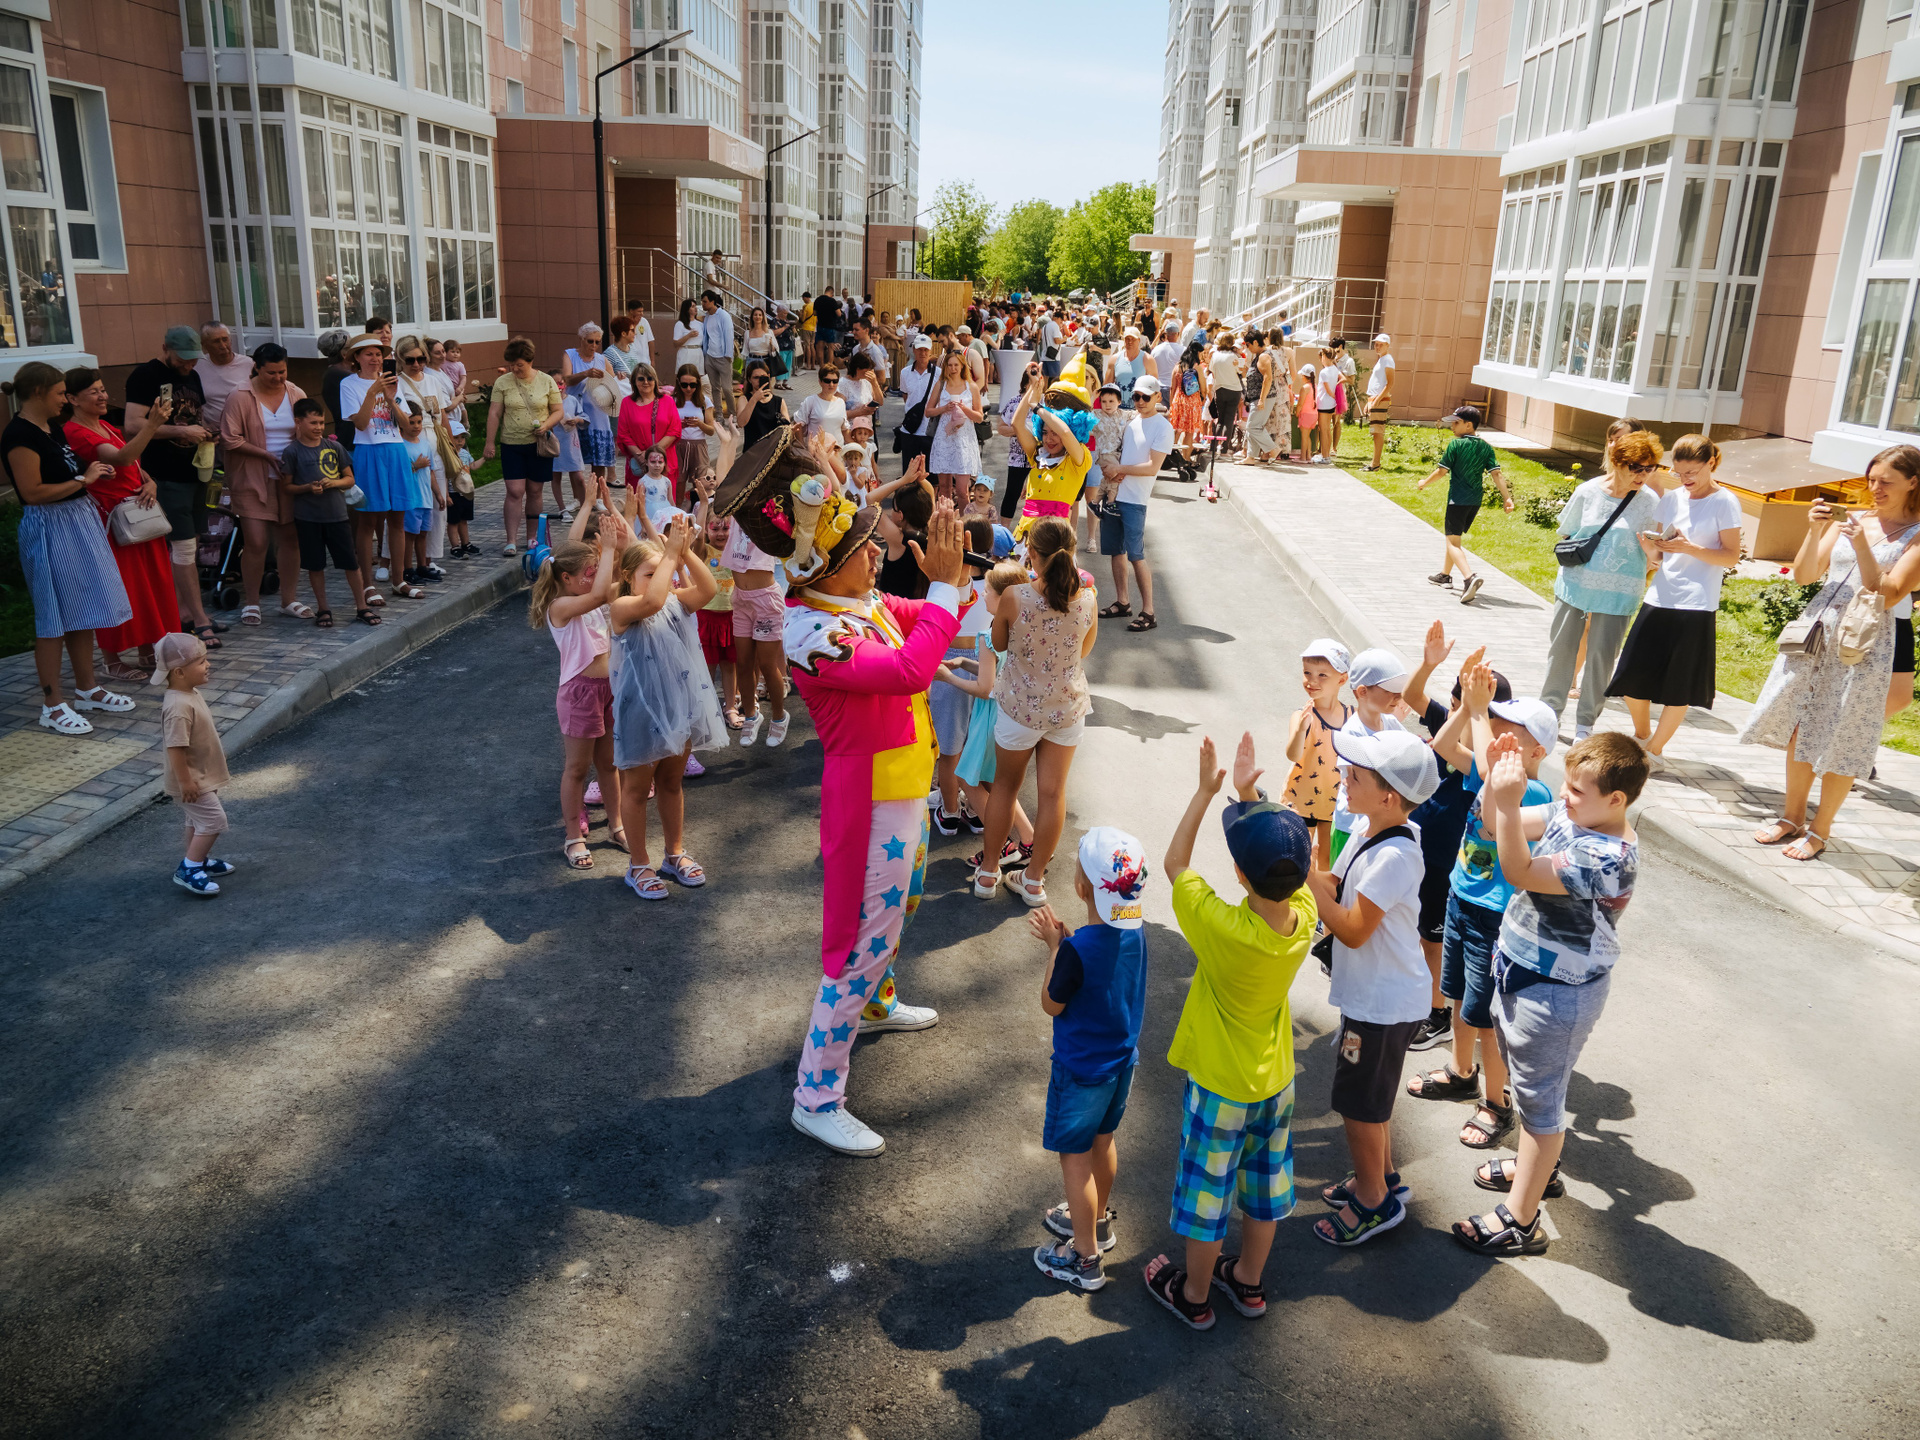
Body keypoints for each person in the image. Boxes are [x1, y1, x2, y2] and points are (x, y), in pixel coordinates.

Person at [767, 486, 969, 1155]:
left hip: (907, 789)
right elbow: (912, 667)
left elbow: (932, 617)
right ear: (826, 567)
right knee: (857, 948)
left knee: (903, 906)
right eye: (863, 547)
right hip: (873, 802)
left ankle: (877, 1005)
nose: (878, 553)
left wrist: (955, 579)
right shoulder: (812, 632)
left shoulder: (858, 603)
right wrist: (943, 589)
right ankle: (816, 1097)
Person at [1142, 734, 1315, 1331]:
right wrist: (1249, 794)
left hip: (1221, 1086)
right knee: (1263, 1190)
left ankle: (1193, 1293)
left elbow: (1175, 866)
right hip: (1276, 1083)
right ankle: (1247, 1281)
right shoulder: (1304, 920)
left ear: (1239, 875)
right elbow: (1287, 866)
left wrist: (1206, 792)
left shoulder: (1221, 928)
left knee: (1207, 1195)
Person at [1452, 730, 1645, 1258]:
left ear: (1616, 799)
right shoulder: (1574, 815)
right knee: (1528, 1085)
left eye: (1577, 790)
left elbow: (1518, 870)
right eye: (1566, 784)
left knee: (1541, 1104)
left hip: (1556, 993)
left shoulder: (1607, 856)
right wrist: (1495, 781)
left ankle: (1520, 1220)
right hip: (1522, 973)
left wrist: (1509, 803)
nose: (1564, 795)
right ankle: (1537, 1169)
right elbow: (1492, 823)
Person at [1742, 444, 1920, 861]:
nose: (1875, 489)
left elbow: (1889, 591)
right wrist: (1813, 530)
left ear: (1914, 482)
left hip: (1866, 640)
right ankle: (1791, 817)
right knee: (1801, 724)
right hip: (1820, 630)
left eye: (1886, 482)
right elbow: (1805, 575)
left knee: (1844, 733)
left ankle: (1820, 830)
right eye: (1871, 480)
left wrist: (1861, 546)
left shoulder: (1916, 533)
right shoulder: (1854, 520)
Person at [1409, 661, 1555, 1152]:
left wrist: (1477, 712)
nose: (1494, 734)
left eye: (1509, 732)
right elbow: (1443, 746)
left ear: (1536, 751)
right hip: (1461, 896)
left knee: (1487, 1018)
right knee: (1457, 996)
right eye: (1494, 725)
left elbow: (1494, 790)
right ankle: (1460, 1072)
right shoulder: (1491, 768)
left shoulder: (1531, 790)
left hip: (1494, 916)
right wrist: (1469, 709)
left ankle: (1497, 1102)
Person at [1304, 728, 1440, 1247]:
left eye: (1356, 776)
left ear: (1389, 796)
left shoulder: (1395, 856)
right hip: (1379, 998)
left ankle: (1373, 1201)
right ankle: (1380, 1176)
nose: (1344, 777)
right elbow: (1335, 886)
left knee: (1358, 1104)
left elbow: (1354, 929)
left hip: (1382, 1006)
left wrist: (1309, 887)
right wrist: (1299, 863)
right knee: (1373, 1098)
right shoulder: (1369, 829)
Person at [1028, 826, 1151, 1292]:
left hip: (1080, 1071)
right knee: (1103, 1141)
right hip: (1121, 1064)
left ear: (1082, 888)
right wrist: (1068, 947)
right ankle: (1097, 1222)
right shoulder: (1138, 936)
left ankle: (1084, 1257)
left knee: (1075, 1158)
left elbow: (1051, 1003)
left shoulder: (1076, 950)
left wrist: (1055, 950)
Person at [971, 517, 1098, 908]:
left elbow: (998, 643)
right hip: (1066, 710)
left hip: (1019, 708)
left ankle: (988, 873)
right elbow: (1083, 651)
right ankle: (1033, 881)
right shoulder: (1088, 599)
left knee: (1005, 788)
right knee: (1053, 794)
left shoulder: (1015, 596)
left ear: (1032, 554)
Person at [5, 362, 135, 735]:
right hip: (50, 527)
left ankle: (87, 689)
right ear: (37, 392)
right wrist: (84, 479)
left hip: (77, 520)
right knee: (53, 617)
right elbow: (32, 493)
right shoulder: (19, 435)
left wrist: (93, 473)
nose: (65, 399)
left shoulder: (52, 428)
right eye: (60, 393)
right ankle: (52, 705)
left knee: (83, 608)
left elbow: (70, 472)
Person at [607, 510, 723, 899]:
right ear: (628, 576)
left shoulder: (674, 600)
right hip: (639, 713)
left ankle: (674, 853)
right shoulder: (623, 607)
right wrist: (670, 553)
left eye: (665, 572)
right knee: (637, 788)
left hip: (677, 708)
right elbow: (653, 600)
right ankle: (638, 864)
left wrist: (685, 552)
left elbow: (708, 589)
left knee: (672, 782)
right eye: (651, 572)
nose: (664, 578)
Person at [1605, 434, 1743, 759]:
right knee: (1630, 676)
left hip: (1696, 604)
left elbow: (1731, 556)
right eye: (1679, 473)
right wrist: (1651, 549)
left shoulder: (1725, 502)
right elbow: (1661, 556)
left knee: (1678, 687)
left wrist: (1690, 548)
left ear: (1711, 463)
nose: (1685, 480)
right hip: (1659, 597)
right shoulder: (1671, 500)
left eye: (1691, 472)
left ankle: (1654, 751)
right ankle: (1643, 735)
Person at [1542, 430, 1663, 740]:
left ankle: (1585, 724)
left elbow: (1656, 550)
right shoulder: (1588, 492)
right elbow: (1567, 533)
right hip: (1576, 585)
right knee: (1561, 652)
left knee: (1601, 658)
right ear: (1617, 462)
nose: (1642, 475)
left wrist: (1652, 552)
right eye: (1636, 467)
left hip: (1619, 592)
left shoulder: (1650, 502)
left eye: (1649, 468)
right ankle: (1548, 715)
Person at [63, 369, 176, 680]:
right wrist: (152, 425)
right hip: (112, 522)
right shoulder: (76, 432)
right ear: (72, 399)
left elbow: (134, 466)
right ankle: (111, 659)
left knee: (148, 586)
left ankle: (146, 650)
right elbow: (123, 458)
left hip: (139, 513)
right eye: (94, 392)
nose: (103, 396)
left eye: (103, 389)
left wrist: (150, 482)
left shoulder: (107, 426)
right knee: (119, 588)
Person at [529, 516, 623, 869]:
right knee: (577, 768)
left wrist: (621, 541)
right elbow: (601, 592)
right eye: (588, 572)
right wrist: (608, 549)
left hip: (608, 689)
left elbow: (617, 585)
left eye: (595, 571)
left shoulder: (589, 598)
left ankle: (617, 825)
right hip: (580, 693)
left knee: (609, 764)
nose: (594, 577)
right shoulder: (560, 607)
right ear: (566, 578)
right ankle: (573, 837)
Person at [124, 326, 220, 648]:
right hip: (164, 474)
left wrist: (205, 433)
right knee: (184, 546)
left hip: (195, 471)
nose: (189, 365)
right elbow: (133, 425)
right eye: (183, 358)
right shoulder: (145, 376)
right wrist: (182, 432)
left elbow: (193, 417)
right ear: (165, 347)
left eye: (194, 359)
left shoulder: (193, 375)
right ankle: (200, 618)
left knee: (191, 543)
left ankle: (182, 613)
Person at [217, 342, 311, 623]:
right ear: (256, 368)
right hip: (251, 477)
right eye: (271, 373)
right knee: (256, 542)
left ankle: (288, 599)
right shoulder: (240, 395)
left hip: (289, 478)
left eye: (282, 371)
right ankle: (252, 603)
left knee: (290, 540)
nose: (278, 378)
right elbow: (229, 438)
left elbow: (308, 429)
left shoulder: (295, 393)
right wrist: (266, 455)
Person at [338, 334, 421, 604]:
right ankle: (367, 585)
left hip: (395, 450)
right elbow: (361, 424)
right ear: (357, 358)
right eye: (369, 354)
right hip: (369, 451)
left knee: (397, 518)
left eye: (378, 354)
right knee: (368, 520)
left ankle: (399, 580)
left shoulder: (393, 382)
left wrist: (391, 398)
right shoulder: (348, 384)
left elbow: (406, 425)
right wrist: (373, 393)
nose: (375, 359)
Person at [152, 631, 235, 897]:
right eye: (201, 662)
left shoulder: (189, 692)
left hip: (201, 774)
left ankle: (198, 859)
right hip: (191, 778)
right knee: (214, 820)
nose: (208, 665)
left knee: (197, 820)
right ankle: (189, 868)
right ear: (179, 672)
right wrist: (186, 781)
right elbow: (175, 747)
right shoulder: (178, 707)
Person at [280, 397, 372, 628]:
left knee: (350, 563)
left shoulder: (334, 447)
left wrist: (334, 483)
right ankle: (323, 609)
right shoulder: (292, 452)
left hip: (337, 516)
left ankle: (362, 607)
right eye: (313, 423)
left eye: (321, 422)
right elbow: (287, 487)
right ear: (298, 422)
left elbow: (349, 479)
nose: (319, 427)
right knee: (315, 565)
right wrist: (307, 488)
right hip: (308, 518)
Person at [1098, 374, 1174, 632]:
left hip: (1135, 500)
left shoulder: (1163, 427)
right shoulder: (1131, 422)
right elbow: (1121, 453)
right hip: (1115, 495)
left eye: (1146, 397)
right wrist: (1113, 469)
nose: (1140, 401)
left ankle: (1149, 612)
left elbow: (1152, 467)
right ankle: (1123, 602)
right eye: (1136, 396)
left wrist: (1120, 469)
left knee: (1136, 556)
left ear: (1157, 397)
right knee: (1116, 552)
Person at [1416, 405, 1514, 603]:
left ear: (1468, 425)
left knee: (1452, 542)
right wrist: (1507, 498)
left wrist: (1424, 482)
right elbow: (1496, 474)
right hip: (1474, 501)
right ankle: (1445, 575)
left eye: (1456, 422)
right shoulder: (1486, 447)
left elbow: (1442, 471)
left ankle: (1469, 578)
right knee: (1454, 538)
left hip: (1457, 500)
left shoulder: (1456, 445)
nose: (1452, 426)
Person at [483, 336, 564, 557]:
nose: (515, 369)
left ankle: (532, 537)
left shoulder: (546, 381)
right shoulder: (503, 383)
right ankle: (510, 540)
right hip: (512, 443)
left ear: (530, 361)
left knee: (535, 491)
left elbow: (558, 410)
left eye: (519, 365)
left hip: (539, 445)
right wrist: (489, 442)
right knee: (515, 491)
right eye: (511, 365)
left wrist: (546, 425)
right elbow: (494, 413)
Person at [1330, 647, 1409, 862]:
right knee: (1345, 879)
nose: (1399, 696)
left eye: (1400, 690)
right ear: (1362, 692)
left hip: (1378, 821)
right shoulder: (1352, 733)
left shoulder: (1390, 722)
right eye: (1391, 690)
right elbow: (1354, 779)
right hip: (1352, 827)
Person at [1282, 639, 1352, 872]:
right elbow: (1293, 755)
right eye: (1307, 673)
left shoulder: (1352, 716)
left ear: (1342, 679)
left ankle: (1318, 898)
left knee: (1326, 865)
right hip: (1301, 800)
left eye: (1322, 675)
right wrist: (1301, 730)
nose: (1312, 681)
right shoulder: (1302, 715)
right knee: (1297, 860)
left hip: (1336, 802)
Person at [563, 323, 622, 503]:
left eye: (597, 342)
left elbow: (614, 385)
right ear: (581, 339)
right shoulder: (570, 355)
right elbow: (567, 379)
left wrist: (618, 377)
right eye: (590, 341)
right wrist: (586, 373)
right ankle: (578, 498)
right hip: (576, 411)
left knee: (599, 460)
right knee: (575, 460)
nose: (594, 345)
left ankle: (597, 499)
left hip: (598, 414)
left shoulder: (602, 359)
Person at [925, 349, 983, 509]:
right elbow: (928, 411)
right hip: (944, 438)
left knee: (962, 490)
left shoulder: (971, 386)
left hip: (964, 441)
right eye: (950, 365)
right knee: (944, 487)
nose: (953, 368)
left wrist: (964, 409)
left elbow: (979, 417)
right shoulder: (940, 385)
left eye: (956, 365)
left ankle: (965, 520)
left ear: (962, 366)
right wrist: (944, 408)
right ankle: (946, 518)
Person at [617, 363, 682, 503]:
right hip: (639, 463)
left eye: (650, 378)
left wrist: (651, 453)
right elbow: (623, 434)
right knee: (639, 506)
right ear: (634, 381)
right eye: (641, 379)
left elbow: (675, 430)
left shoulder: (667, 401)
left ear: (655, 380)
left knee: (666, 506)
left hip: (663, 462)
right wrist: (640, 456)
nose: (646, 382)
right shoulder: (627, 403)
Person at [192, 322, 254, 435]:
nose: (223, 346)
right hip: (213, 432)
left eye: (225, 339)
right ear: (204, 345)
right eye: (216, 341)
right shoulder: (197, 366)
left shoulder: (248, 364)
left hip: (246, 430)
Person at [671, 366, 718, 494]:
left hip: (698, 446)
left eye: (692, 385)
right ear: (678, 382)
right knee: (678, 485)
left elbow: (711, 430)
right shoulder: (672, 400)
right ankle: (678, 507)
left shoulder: (704, 401)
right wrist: (679, 425)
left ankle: (700, 507)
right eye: (684, 385)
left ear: (698, 383)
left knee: (702, 486)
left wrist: (699, 424)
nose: (688, 389)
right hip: (677, 445)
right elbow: (666, 427)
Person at [1242, 330, 1284, 465]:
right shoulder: (1259, 356)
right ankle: (1251, 457)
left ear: (1255, 342)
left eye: (1248, 344)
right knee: (1254, 427)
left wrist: (1261, 399)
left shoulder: (1264, 357)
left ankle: (1273, 449)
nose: (1247, 347)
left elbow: (1268, 378)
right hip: (1258, 397)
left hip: (1263, 397)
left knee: (1252, 427)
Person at [898, 335, 939, 471]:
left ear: (930, 351)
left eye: (926, 350)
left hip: (930, 430)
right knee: (909, 471)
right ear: (914, 350)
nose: (923, 353)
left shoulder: (939, 374)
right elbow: (905, 395)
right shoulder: (904, 373)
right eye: (920, 349)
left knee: (931, 472)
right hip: (910, 429)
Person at [1167, 341, 1207, 474]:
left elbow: (1172, 387)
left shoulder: (1177, 366)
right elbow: (1203, 388)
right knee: (1189, 432)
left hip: (1178, 400)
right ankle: (1186, 459)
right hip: (1192, 401)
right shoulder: (1197, 367)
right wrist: (1202, 399)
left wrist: (1172, 403)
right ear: (1197, 352)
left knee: (1177, 430)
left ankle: (1171, 456)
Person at [734, 359, 788, 448]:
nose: (759, 380)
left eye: (763, 377)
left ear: (768, 377)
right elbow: (741, 423)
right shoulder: (744, 399)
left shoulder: (779, 401)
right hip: (753, 451)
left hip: (773, 451)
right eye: (756, 377)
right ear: (749, 379)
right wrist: (754, 399)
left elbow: (787, 428)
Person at [794, 358, 848, 445]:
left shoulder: (841, 402)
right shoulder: (810, 401)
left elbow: (844, 429)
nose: (831, 385)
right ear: (820, 382)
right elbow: (797, 425)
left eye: (835, 381)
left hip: (837, 449)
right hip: (816, 449)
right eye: (827, 381)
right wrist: (801, 446)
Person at [1361, 333, 1395, 471]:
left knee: (1377, 431)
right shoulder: (1382, 359)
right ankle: (1374, 462)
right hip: (1375, 399)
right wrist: (1370, 401)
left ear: (1387, 345)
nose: (1378, 347)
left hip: (1379, 400)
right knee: (1375, 431)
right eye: (1376, 344)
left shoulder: (1388, 360)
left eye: (1381, 344)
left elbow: (1390, 384)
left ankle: (1375, 464)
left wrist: (1376, 400)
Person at [1207, 332, 1244, 456]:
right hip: (1234, 390)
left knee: (1220, 420)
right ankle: (1224, 448)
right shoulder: (1234, 357)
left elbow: (1212, 372)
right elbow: (1240, 371)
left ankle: (1213, 446)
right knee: (1229, 420)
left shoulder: (1215, 356)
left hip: (1220, 389)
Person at [699, 290, 735, 410]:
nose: (703, 304)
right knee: (715, 388)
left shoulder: (724, 316)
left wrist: (728, 355)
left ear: (712, 301)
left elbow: (729, 335)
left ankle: (732, 414)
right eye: (702, 301)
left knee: (727, 388)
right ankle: (719, 414)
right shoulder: (707, 317)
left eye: (705, 302)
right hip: (710, 357)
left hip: (723, 357)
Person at [1313, 347, 1340, 465]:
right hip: (1331, 404)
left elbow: (1328, 390)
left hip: (1323, 403)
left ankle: (1325, 456)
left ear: (1325, 356)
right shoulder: (1335, 369)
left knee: (1323, 431)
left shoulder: (1324, 372)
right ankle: (1326, 455)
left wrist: (1334, 396)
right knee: (1327, 430)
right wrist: (1336, 398)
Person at [673, 298, 705, 378]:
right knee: (684, 375)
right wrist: (689, 336)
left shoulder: (700, 324)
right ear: (687, 309)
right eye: (692, 306)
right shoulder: (680, 324)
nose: (695, 308)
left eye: (695, 306)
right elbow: (676, 343)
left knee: (698, 377)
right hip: (686, 352)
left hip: (698, 352)